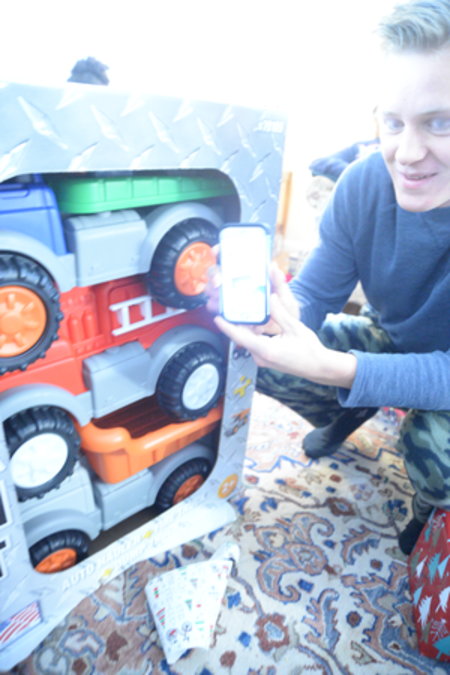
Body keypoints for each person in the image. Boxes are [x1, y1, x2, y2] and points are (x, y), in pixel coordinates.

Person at [212, 0, 450, 557]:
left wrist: (336, 368)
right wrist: (276, 311)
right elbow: (315, 294)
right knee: (254, 350)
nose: (406, 154)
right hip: (392, 341)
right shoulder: (363, 183)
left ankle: (427, 508)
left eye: (439, 123)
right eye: (393, 122)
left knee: (435, 452)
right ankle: (352, 411)